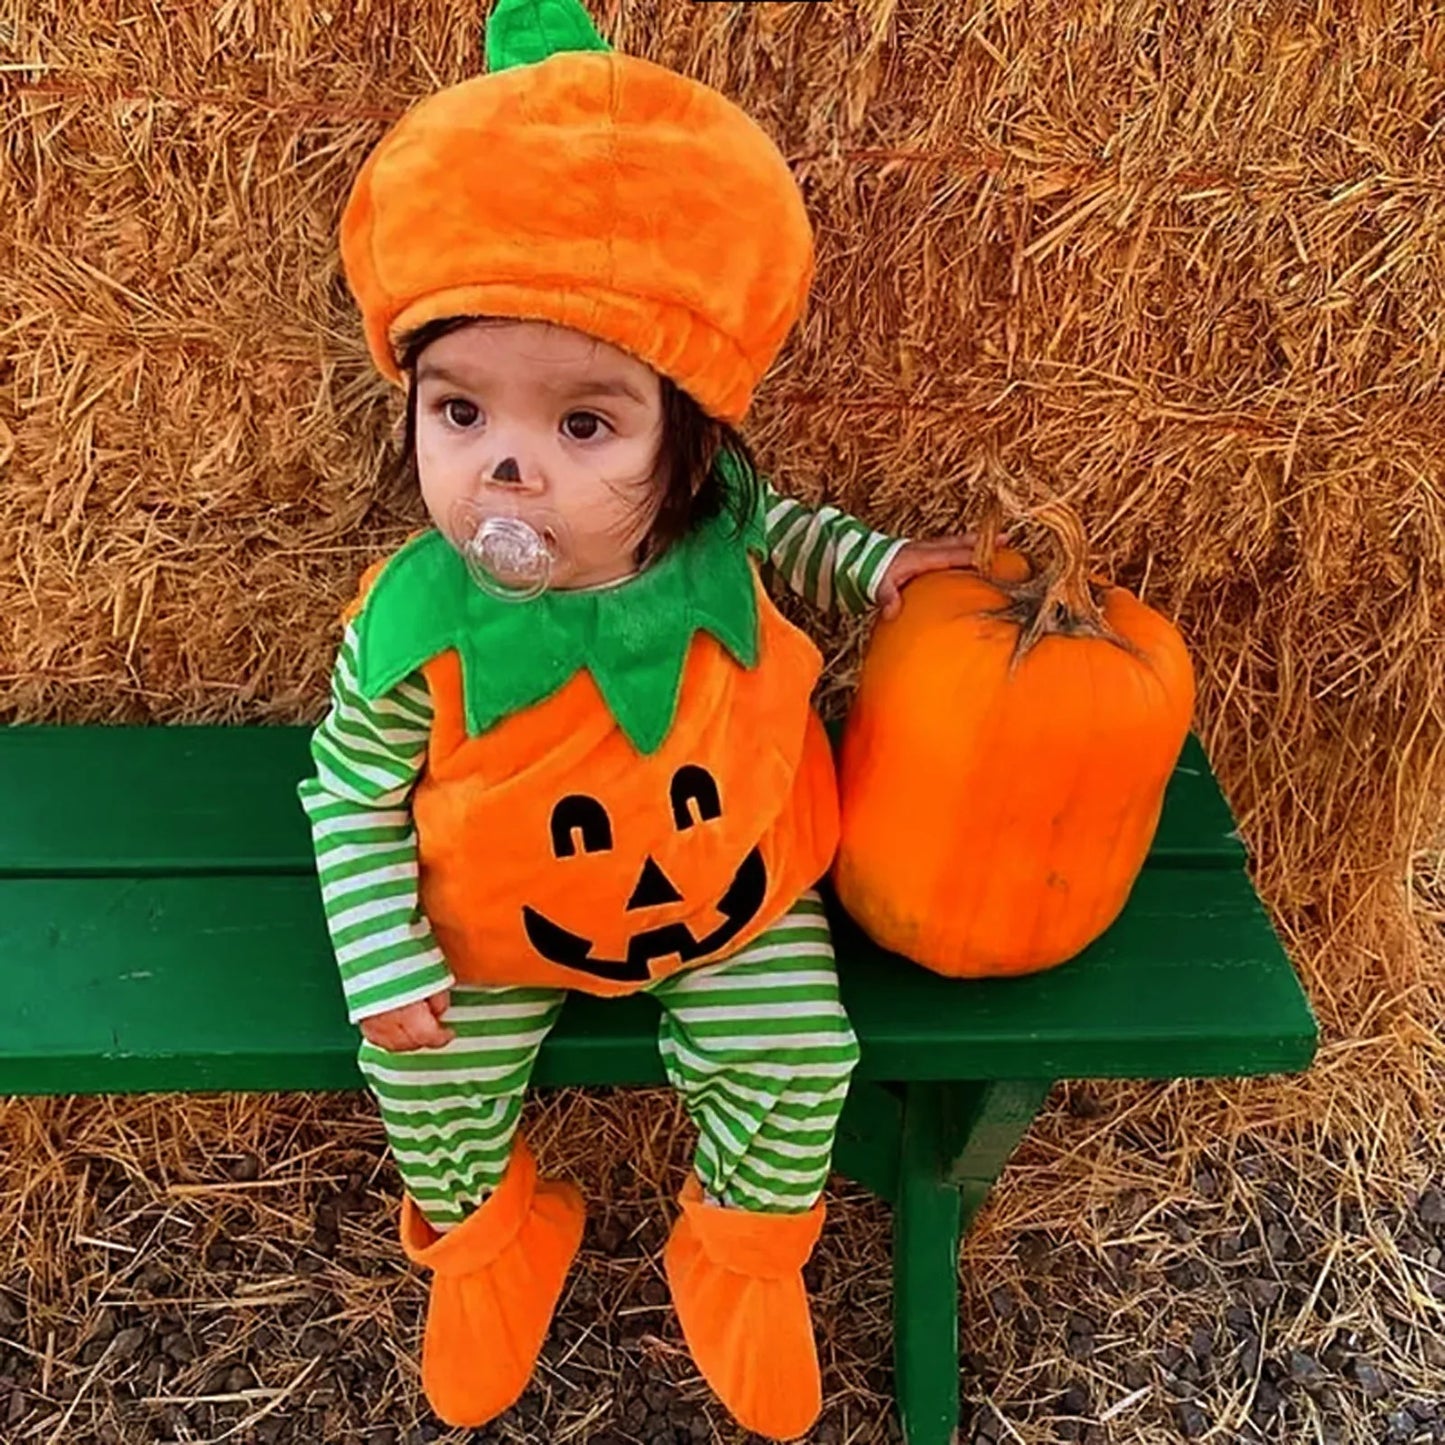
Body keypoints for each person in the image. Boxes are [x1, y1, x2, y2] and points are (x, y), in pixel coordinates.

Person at [298, 0, 976, 1437]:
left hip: (724, 889)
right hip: (498, 916)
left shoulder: (715, 525)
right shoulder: (413, 623)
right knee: (420, 1070)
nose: (507, 471)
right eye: (459, 413)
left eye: (582, 425)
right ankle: (488, 1235)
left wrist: (878, 566)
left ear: (685, 443)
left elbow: (792, 533)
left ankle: (737, 1247)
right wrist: (383, 954)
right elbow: (349, 790)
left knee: (798, 1051)